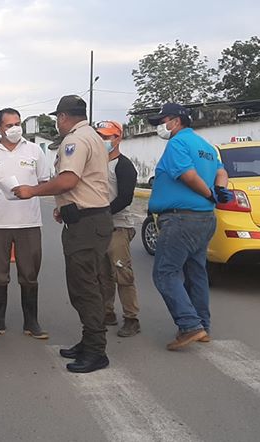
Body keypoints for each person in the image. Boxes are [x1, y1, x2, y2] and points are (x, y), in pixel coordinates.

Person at [13, 95, 112, 373]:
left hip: (86, 225)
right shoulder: (93, 136)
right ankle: (89, 341)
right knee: (89, 283)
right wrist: (65, 207)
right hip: (90, 219)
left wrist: (32, 191)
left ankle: (96, 350)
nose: (58, 124)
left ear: (63, 117)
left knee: (84, 287)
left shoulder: (75, 140)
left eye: (58, 119)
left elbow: (68, 180)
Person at [145, 103, 231, 350]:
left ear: (176, 121)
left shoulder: (177, 143)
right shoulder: (206, 146)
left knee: (165, 273)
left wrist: (210, 194)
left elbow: (188, 176)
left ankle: (190, 325)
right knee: (196, 273)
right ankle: (202, 326)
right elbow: (222, 173)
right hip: (204, 219)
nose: (160, 126)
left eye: (163, 121)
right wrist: (219, 191)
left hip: (181, 219)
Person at [0, 108, 51, 340]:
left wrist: (29, 192)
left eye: (18, 124)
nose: (15, 129)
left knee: (29, 273)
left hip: (29, 222)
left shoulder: (34, 151)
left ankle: (32, 322)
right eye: (9, 125)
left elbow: (44, 182)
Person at [94, 120, 141, 338]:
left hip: (118, 226)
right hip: (99, 227)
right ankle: (107, 312)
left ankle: (131, 318)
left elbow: (125, 198)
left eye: (107, 137)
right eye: (100, 136)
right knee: (103, 274)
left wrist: (102, 213)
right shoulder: (95, 163)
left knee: (122, 273)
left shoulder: (124, 166)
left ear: (118, 138)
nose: (103, 140)